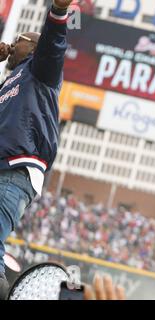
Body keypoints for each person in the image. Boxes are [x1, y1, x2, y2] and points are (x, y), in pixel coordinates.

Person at [0, 0, 73, 300]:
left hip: (16, 171)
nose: (11, 43)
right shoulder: (9, 82)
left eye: (18, 41)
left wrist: (57, 12)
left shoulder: (42, 70)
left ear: (33, 48)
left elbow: (53, 45)